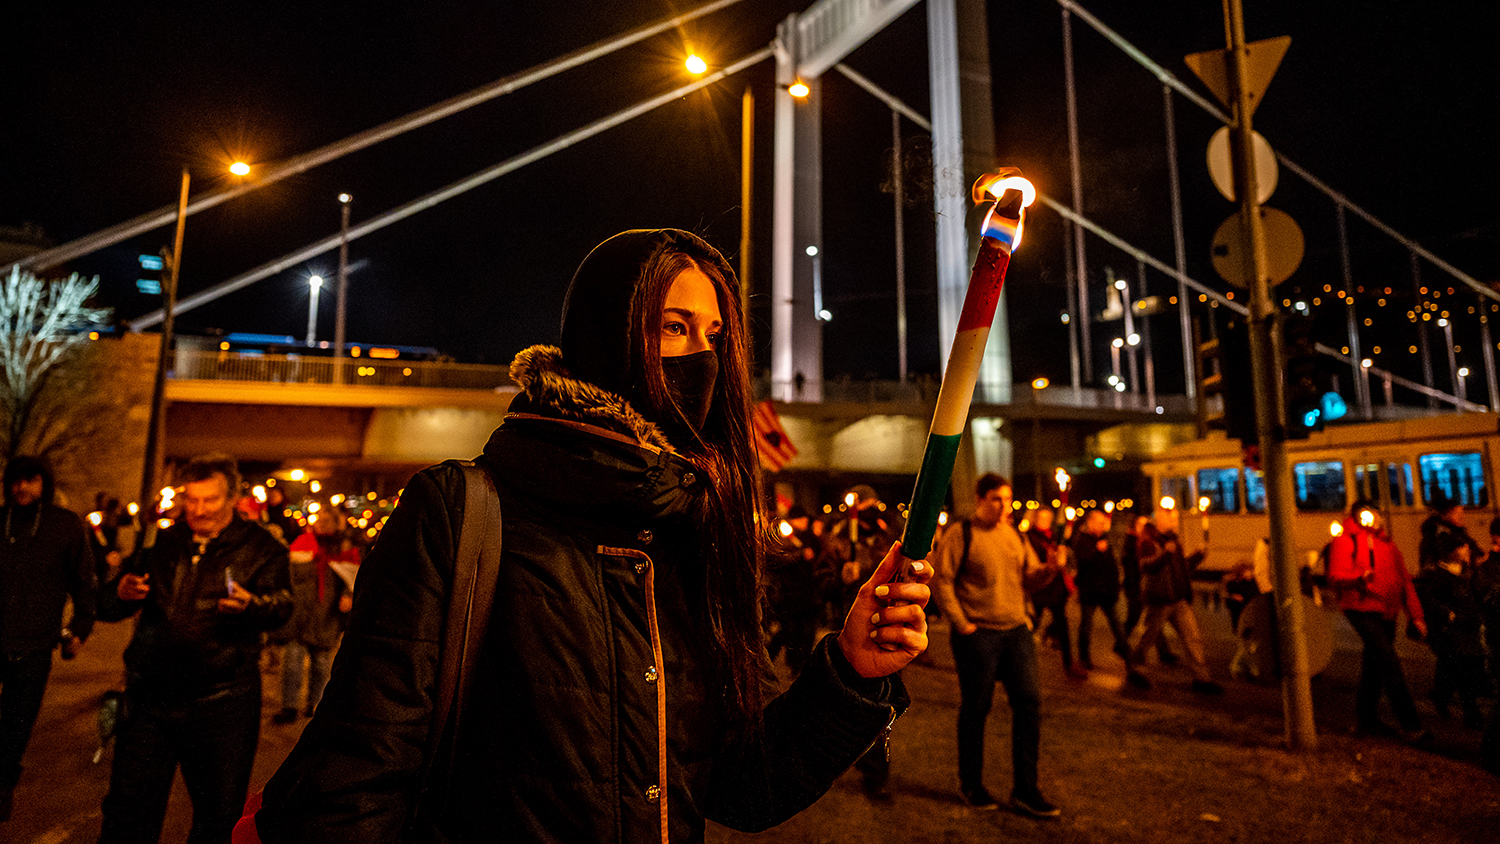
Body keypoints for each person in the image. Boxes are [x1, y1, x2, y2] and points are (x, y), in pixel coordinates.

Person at [246, 229, 932, 843]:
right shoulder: (460, 512)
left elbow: (737, 788)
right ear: (608, 334)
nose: (700, 356)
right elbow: (354, 783)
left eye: (716, 336)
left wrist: (848, 670)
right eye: (672, 327)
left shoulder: (692, 532)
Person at [98, 453, 293, 844]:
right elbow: (108, 603)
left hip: (223, 702)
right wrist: (121, 592)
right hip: (150, 699)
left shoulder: (261, 547)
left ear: (233, 498)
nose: (199, 510)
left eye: (211, 500)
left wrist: (253, 606)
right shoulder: (162, 541)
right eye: (192, 499)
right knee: (128, 809)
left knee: (217, 815)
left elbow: (283, 608)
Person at [931, 473, 1061, 819]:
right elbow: (942, 580)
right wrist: (963, 625)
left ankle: (1026, 789)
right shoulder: (962, 533)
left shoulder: (1015, 534)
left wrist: (1050, 569)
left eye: (1008, 499)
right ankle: (971, 783)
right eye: (996, 499)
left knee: (1029, 705)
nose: (1005, 506)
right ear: (979, 499)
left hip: (1016, 630)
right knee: (976, 707)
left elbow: (1029, 578)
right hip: (979, 634)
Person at [0, 456, 97, 823]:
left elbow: (84, 581)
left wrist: (80, 629)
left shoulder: (63, 525)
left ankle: (3, 786)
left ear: (44, 483)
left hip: (34, 642)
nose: (22, 488)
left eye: (31, 480)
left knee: (16, 723)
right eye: (16, 480)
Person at [1325, 499, 1429, 742]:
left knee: (1374, 666)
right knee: (1389, 662)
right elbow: (1335, 576)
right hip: (1360, 608)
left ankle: (1366, 720)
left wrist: (1416, 615)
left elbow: (1404, 581)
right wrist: (1358, 579)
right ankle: (1411, 724)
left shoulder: (1386, 543)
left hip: (1387, 611)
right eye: (1366, 514)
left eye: (1374, 513)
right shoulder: (1345, 540)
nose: (1372, 518)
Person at [1128, 504, 1223, 694]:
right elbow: (1146, 567)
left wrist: (1197, 557)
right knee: (1147, 637)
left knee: (1192, 637)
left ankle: (1201, 678)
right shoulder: (1148, 540)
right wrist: (1165, 554)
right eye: (1171, 519)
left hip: (1178, 598)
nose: (1175, 523)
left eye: (1176, 520)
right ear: (1159, 520)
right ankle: (1135, 668)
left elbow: (1182, 568)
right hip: (1160, 599)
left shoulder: (1173, 541)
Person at [272, 515, 355, 724]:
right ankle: (289, 706)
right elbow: (288, 574)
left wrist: (348, 595)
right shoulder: (303, 544)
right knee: (292, 664)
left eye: (328, 521)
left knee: (321, 664)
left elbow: (352, 577)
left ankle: (316, 704)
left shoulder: (344, 549)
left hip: (326, 615)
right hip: (300, 613)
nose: (322, 525)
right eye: (321, 521)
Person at [1413, 533, 1486, 728]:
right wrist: (1447, 614)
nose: (1467, 550)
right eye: (1462, 547)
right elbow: (1426, 599)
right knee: (1464, 668)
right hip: (1450, 631)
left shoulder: (1470, 573)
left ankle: (1440, 694)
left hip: (1470, 627)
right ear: (1451, 552)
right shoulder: (1434, 575)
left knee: (1455, 668)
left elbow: (1480, 596)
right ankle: (1471, 711)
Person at [1023, 508, 1082, 680]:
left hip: (1055, 588)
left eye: (1048, 518)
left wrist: (1063, 553)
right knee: (1030, 625)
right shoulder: (1029, 537)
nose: (1046, 521)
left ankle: (1069, 664)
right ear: (1035, 519)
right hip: (1039, 587)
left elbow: (1064, 554)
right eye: (1042, 517)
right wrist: (1051, 560)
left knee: (1063, 627)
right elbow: (1032, 561)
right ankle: (1014, 662)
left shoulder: (1054, 536)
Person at [1070, 508, 1131, 673]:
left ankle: (1128, 657)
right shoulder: (1081, 539)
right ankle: (1084, 657)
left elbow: (1111, 566)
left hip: (1107, 592)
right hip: (1090, 590)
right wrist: (1096, 550)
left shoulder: (1105, 539)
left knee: (1117, 624)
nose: (1103, 526)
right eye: (1099, 522)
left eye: (1103, 523)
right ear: (1090, 523)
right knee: (1086, 626)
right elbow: (1083, 560)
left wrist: (1116, 586)